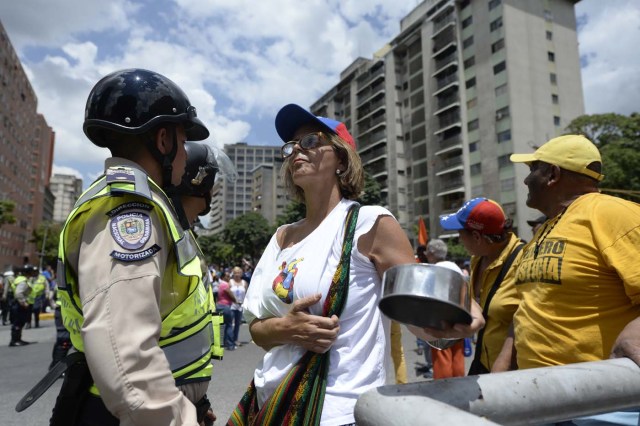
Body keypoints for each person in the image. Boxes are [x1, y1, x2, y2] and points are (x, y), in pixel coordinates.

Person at [230, 104, 484, 425]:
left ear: (340, 157)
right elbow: (257, 329)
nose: (297, 151)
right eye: (291, 146)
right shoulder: (282, 236)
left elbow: (416, 316)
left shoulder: (369, 223)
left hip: (338, 412)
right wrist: (286, 329)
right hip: (272, 403)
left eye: (311, 142)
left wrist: (449, 318)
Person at [53, 68, 219, 425]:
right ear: (163, 141)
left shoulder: (140, 205)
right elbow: (123, 351)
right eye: (181, 139)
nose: (184, 156)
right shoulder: (130, 213)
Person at [510, 134, 640, 425]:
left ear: (553, 174)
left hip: (602, 406)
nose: (526, 180)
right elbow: (526, 311)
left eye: (533, 170)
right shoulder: (544, 231)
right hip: (538, 399)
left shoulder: (612, 213)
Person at [439, 198, 524, 374]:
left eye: (460, 235)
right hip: (482, 360)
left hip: (511, 371)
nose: (460, 240)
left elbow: (524, 322)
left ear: (477, 237)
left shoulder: (524, 261)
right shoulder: (477, 259)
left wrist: (502, 367)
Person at [423, 239, 466, 379]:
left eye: (427, 252)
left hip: (439, 317)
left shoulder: (434, 269)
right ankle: (459, 386)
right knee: (457, 355)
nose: (426, 255)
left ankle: (443, 391)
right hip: (458, 315)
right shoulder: (455, 267)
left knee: (442, 357)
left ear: (432, 253)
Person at [9, 266, 33, 347]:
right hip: (19, 305)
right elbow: (18, 293)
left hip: (17, 304)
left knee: (19, 322)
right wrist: (23, 303)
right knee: (18, 323)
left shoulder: (20, 279)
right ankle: (14, 341)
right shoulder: (23, 281)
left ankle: (17, 339)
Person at [229, 266, 248, 347]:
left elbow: (247, 294)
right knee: (229, 324)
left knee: (237, 324)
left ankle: (235, 339)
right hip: (231, 306)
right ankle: (229, 340)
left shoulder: (244, 283)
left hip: (240, 306)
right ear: (233, 273)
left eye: (238, 273)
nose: (237, 274)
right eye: (235, 272)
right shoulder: (230, 282)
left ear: (241, 274)